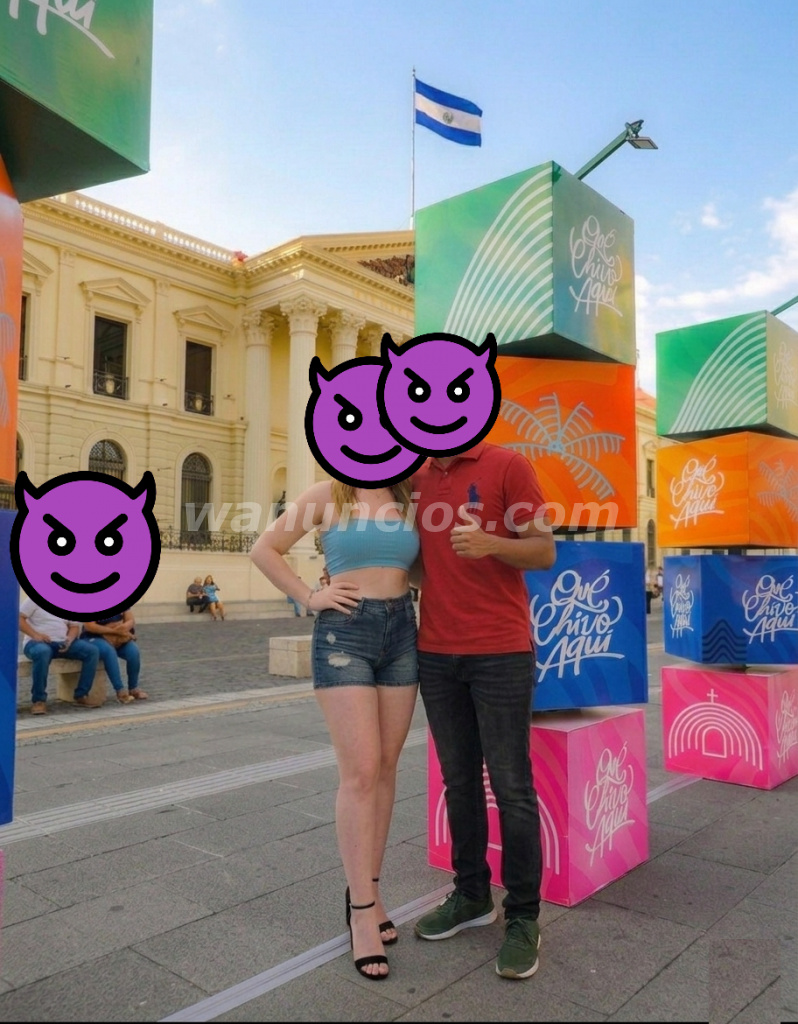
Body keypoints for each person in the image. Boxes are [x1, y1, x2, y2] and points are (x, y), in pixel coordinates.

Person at [250, 478, 419, 981]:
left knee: (386, 769)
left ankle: (371, 890)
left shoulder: (407, 494)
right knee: (361, 772)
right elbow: (264, 549)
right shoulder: (329, 494)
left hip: (403, 631)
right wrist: (310, 595)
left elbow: (421, 569)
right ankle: (362, 914)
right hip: (345, 630)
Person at [410, 441, 555, 981]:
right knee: (459, 782)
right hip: (435, 653)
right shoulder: (416, 476)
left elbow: (543, 550)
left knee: (512, 787)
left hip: (501, 651)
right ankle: (471, 894)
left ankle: (523, 917)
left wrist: (491, 543)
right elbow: (421, 566)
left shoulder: (508, 465)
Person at [19, 597, 101, 713]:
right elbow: (19, 618)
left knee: (92, 651)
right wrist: (35, 635)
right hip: (36, 643)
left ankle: (81, 694)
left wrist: (69, 640)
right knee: (43, 652)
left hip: (61, 642)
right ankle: (39, 700)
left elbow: (74, 626)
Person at [82, 609, 148, 703]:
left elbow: (130, 620)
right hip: (95, 637)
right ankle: (120, 690)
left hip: (118, 636)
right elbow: (90, 626)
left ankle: (133, 688)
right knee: (109, 651)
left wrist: (123, 627)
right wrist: (112, 631)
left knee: (133, 651)